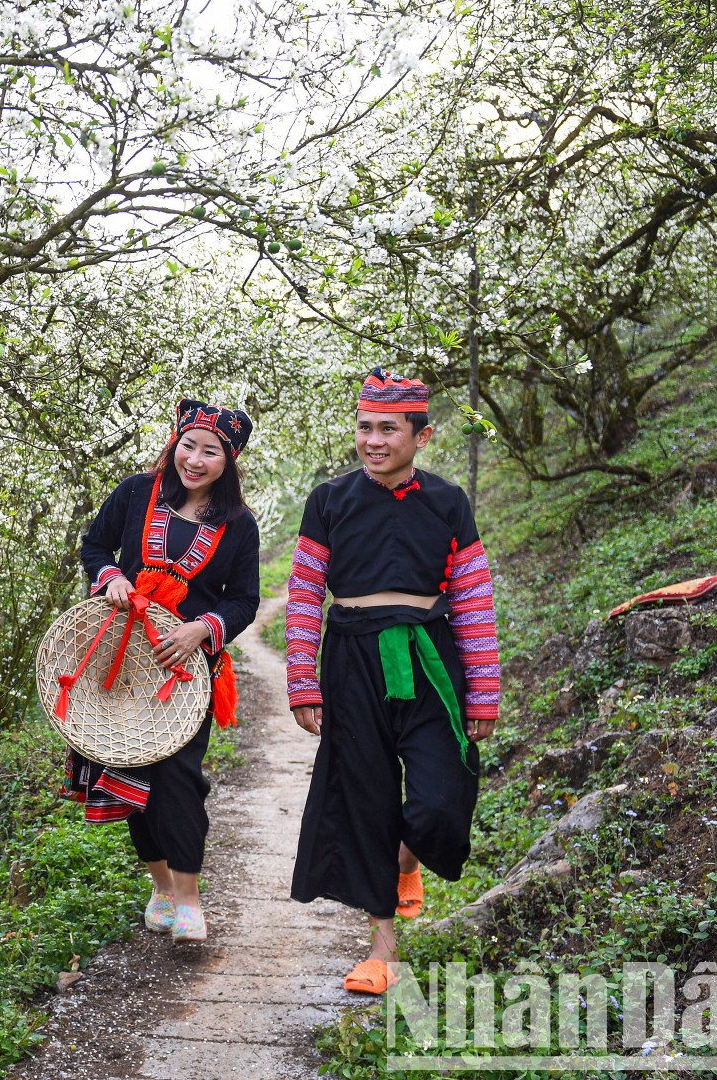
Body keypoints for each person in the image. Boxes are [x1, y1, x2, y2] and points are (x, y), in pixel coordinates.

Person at [285, 369, 500, 994]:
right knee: (366, 799)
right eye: (365, 428)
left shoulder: (449, 502)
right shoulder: (329, 501)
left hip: (431, 658)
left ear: (420, 434)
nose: (373, 441)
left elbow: (474, 599)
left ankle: (409, 862)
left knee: (440, 797)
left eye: (388, 429)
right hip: (352, 661)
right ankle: (381, 949)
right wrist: (303, 681)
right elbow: (302, 597)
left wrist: (483, 688)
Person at [65, 399, 261, 943]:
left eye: (211, 451)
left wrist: (203, 628)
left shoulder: (239, 526)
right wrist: (110, 577)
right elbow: (95, 545)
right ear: (174, 443)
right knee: (128, 770)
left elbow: (244, 600)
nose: (195, 460)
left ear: (230, 459)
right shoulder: (135, 492)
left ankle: (190, 900)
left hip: (184, 668)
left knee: (178, 776)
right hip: (121, 660)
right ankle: (161, 888)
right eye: (188, 445)